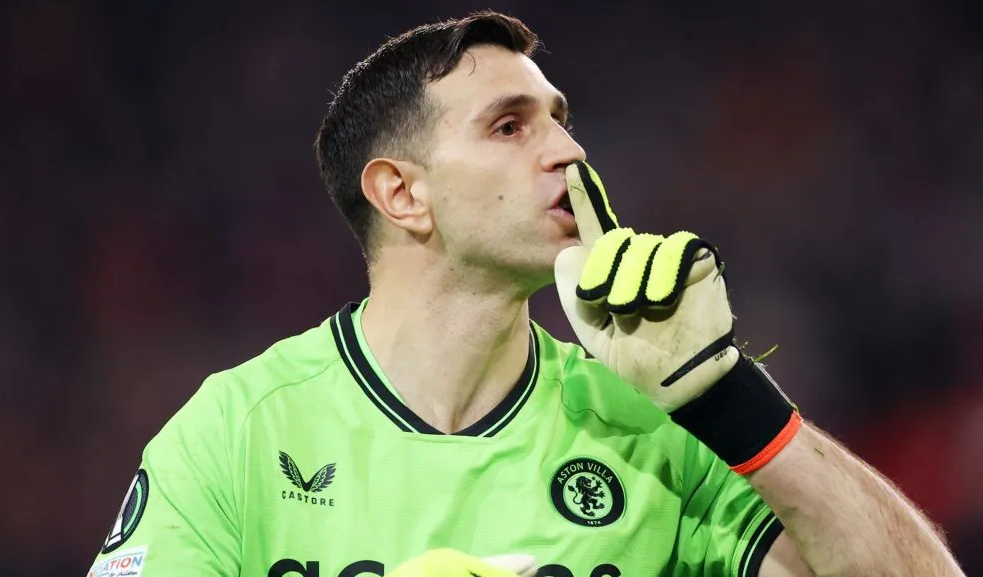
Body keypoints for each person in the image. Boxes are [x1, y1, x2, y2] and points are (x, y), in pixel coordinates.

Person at [86, 11, 963, 577]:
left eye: (561, 121)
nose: (569, 153)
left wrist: (726, 393)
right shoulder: (240, 431)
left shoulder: (647, 431)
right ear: (402, 193)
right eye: (510, 126)